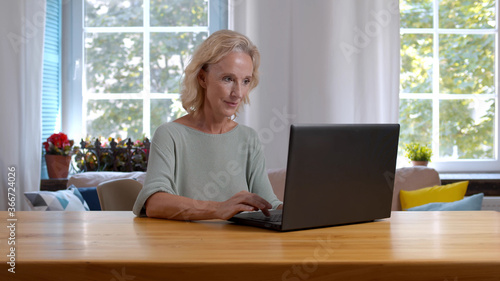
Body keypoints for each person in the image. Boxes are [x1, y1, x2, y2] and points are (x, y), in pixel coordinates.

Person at [132, 30, 282, 220]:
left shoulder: (248, 138)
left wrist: (302, 210)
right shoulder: (170, 135)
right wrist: (218, 209)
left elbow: (268, 203)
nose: (238, 93)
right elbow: (155, 202)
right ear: (202, 78)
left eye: (245, 81)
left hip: (238, 248)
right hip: (185, 247)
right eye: (228, 79)